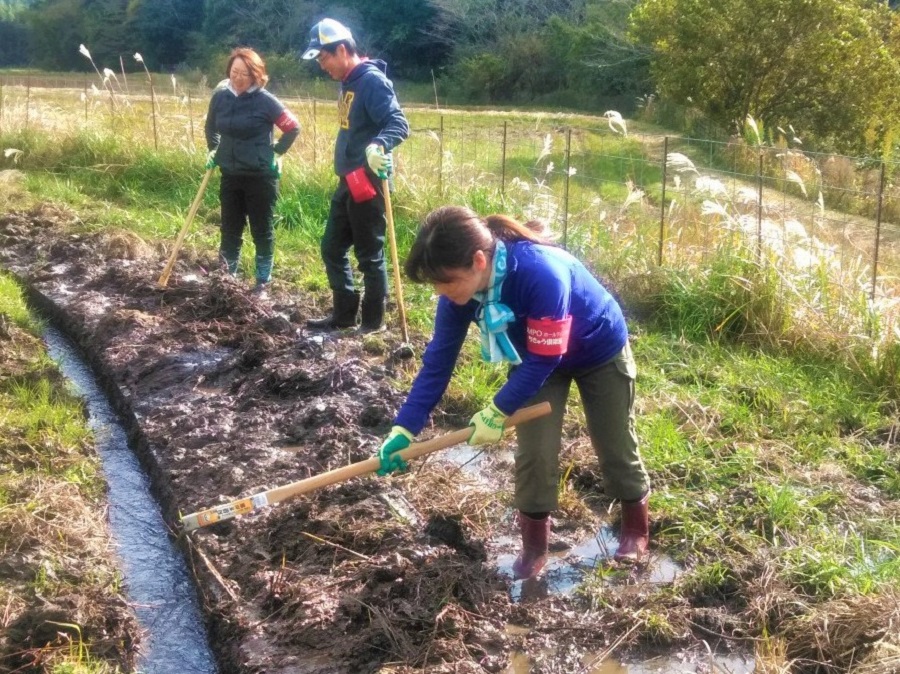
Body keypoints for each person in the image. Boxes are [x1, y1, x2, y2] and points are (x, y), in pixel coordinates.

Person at [375, 206, 652, 579]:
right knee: (535, 452)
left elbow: (544, 359)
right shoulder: (459, 296)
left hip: (597, 350)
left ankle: (635, 529)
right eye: (436, 285)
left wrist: (496, 410)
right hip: (535, 359)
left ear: (477, 260)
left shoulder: (541, 273)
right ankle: (535, 548)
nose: (441, 292)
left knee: (614, 440)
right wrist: (403, 428)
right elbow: (437, 364)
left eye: (446, 282)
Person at [301, 18, 410, 332]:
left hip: (368, 182)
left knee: (369, 255)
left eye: (324, 58)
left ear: (343, 49)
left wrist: (379, 144)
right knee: (331, 248)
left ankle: (373, 323)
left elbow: (398, 123)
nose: (323, 66)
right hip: (346, 179)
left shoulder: (372, 81)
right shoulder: (347, 81)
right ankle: (344, 314)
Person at [204, 47, 300, 297]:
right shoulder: (221, 97)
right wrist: (214, 150)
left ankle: (262, 283)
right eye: (234, 72)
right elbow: (211, 126)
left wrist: (277, 152)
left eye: (244, 74)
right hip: (230, 174)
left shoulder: (266, 100)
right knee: (229, 229)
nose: (237, 78)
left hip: (260, 177)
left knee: (261, 229)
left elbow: (292, 128)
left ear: (256, 76)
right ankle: (226, 280)